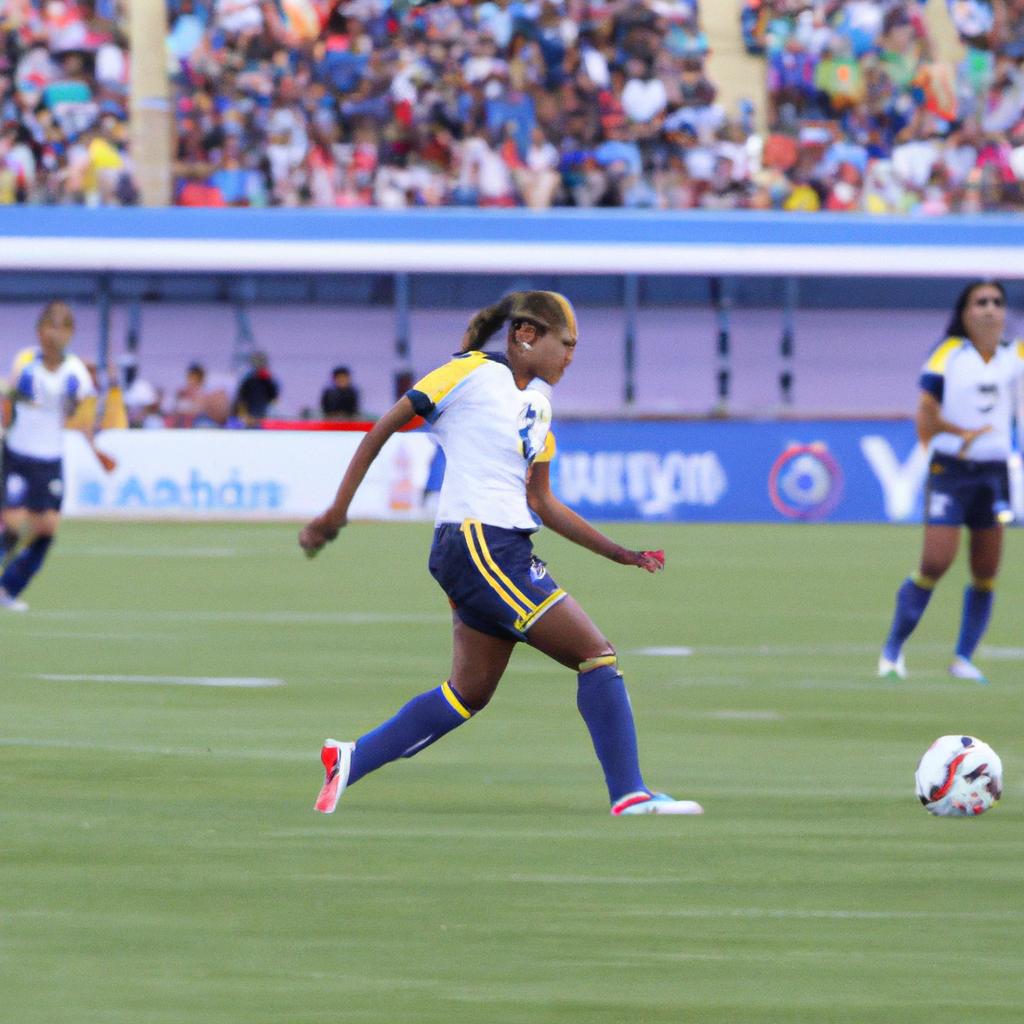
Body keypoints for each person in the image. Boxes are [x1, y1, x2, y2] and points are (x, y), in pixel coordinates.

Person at [299, 291, 703, 817]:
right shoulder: (465, 374)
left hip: (495, 547)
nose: (571, 357)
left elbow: (542, 502)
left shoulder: (538, 405)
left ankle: (350, 758)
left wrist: (619, 553)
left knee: (468, 693)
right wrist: (337, 512)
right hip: (479, 544)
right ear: (526, 335)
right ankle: (630, 794)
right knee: (595, 654)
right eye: (566, 344)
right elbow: (382, 428)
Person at [879, 280, 1024, 683]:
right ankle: (892, 650)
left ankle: (963, 657)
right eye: (981, 302)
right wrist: (956, 433)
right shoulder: (947, 355)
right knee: (935, 562)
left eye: (997, 302)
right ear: (965, 313)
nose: (991, 309)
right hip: (952, 471)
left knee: (986, 569)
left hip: (995, 474)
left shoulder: (1016, 356)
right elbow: (926, 410)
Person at [0, 301, 97, 610]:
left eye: (60, 328)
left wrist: (72, 404)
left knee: (48, 528)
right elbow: (12, 401)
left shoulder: (77, 372)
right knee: (15, 523)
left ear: (69, 333)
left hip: (49, 457)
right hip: (17, 453)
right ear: (40, 332)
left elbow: (76, 413)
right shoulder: (26, 363)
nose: (53, 335)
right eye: (48, 327)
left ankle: (8, 590)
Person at [234, 352, 280, 426]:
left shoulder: (269, 380)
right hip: (250, 416)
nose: (259, 364)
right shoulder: (249, 380)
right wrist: (244, 415)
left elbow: (274, 397)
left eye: (261, 361)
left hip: (264, 415)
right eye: (257, 361)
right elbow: (241, 398)